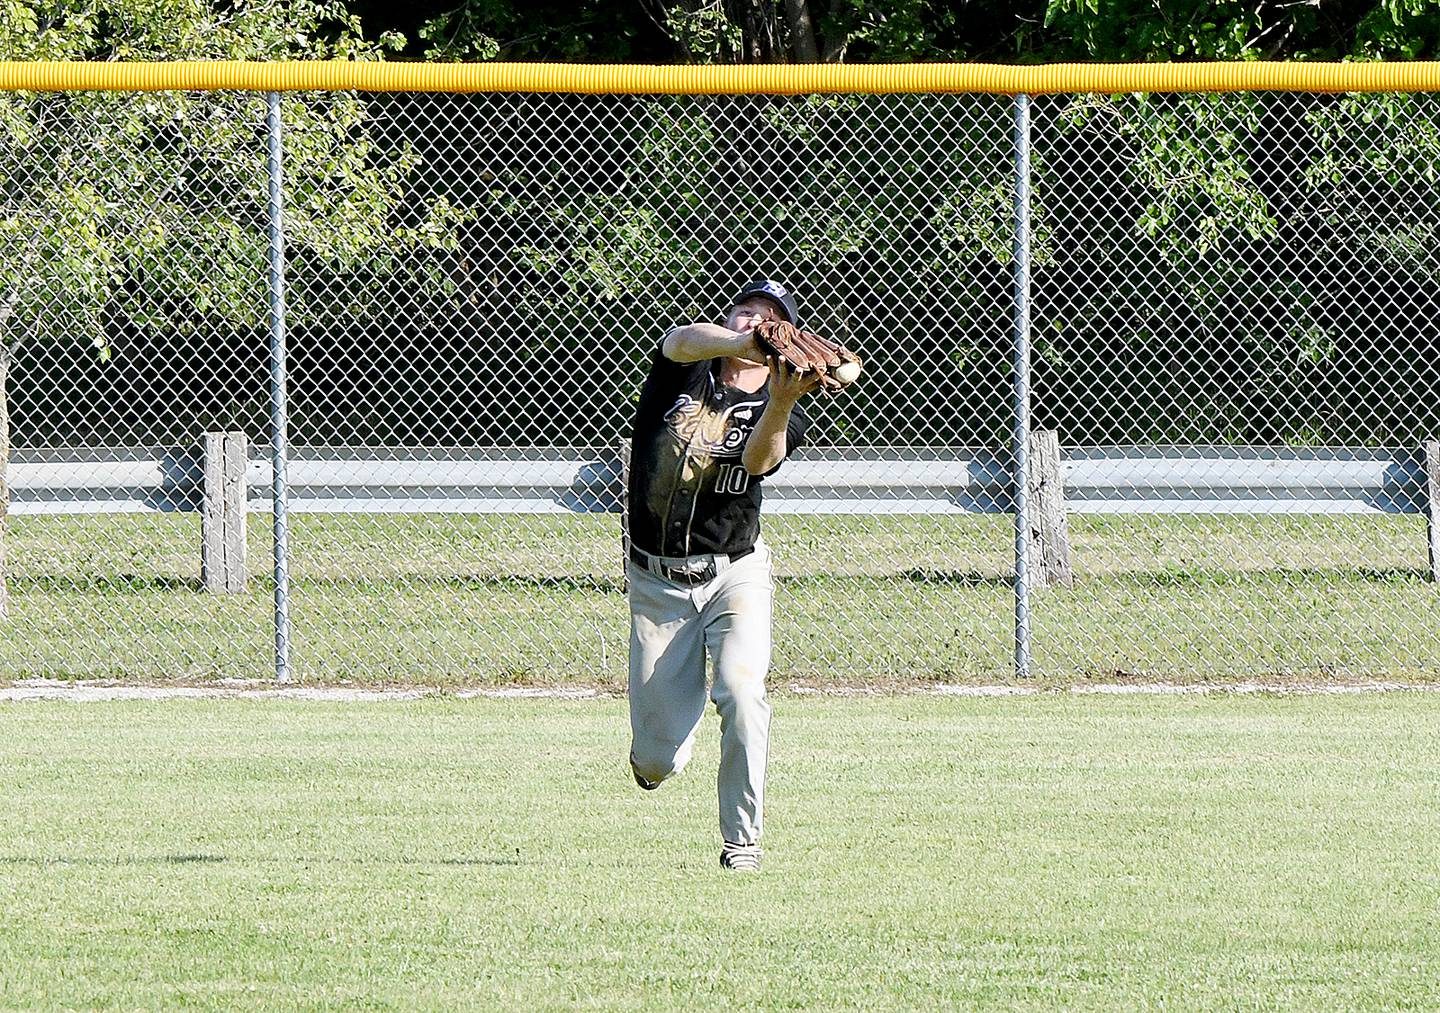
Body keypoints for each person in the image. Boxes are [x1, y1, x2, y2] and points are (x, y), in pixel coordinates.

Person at [624, 279, 823, 873]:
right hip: (657, 581)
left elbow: (760, 463)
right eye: (745, 312)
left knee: (742, 691)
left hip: (734, 573)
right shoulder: (684, 373)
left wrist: (785, 399)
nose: (755, 323)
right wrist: (749, 342)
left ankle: (742, 842)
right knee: (655, 761)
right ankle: (660, 752)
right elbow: (679, 339)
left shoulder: (780, 401)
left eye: (771, 318)